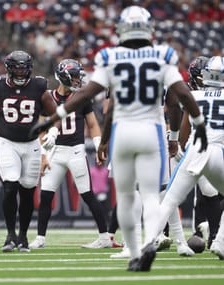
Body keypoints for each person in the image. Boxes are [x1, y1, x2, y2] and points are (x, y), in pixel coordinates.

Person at [30, 5, 207, 271]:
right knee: (151, 194)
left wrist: (57, 117)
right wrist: (199, 124)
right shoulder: (162, 55)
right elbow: (181, 94)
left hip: (124, 130)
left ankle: (132, 250)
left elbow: (88, 95)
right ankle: (150, 243)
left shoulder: (110, 57)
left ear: (122, 29)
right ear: (148, 28)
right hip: (152, 130)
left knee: (125, 196)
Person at [0, 50, 57, 252]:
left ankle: (23, 236)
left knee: (28, 191)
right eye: (17, 69)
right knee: (10, 186)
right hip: (7, 143)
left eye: (24, 69)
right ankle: (10, 235)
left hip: (31, 145)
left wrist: (53, 130)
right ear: (9, 69)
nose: (20, 73)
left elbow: (56, 113)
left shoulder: (39, 87)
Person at [28, 59, 113, 249]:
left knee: (88, 195)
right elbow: (42, 128)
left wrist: (99, 145)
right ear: (64, 76)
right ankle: (40, 238)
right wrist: (43, 154)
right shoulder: (48, 97)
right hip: (55, 152)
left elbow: (92, 124)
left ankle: (104, 237)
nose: (77, 80)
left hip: (76, 151)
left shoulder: (82, 98)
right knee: (46, 195)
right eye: (74, 76)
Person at [152, 56, 224, 260]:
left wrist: (177, 143)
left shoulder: (194, 96)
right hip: (217, 151)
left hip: (194, 150)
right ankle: (220, 242)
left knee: (168, 200)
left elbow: (183, 131)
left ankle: (148, 243)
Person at [180, 56, 222, 250]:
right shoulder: (194, 96)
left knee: (208, 192)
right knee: (206, 191)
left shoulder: (196, 96)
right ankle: (211, 235)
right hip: (203, 148)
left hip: (205, 147)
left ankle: (211, 234)